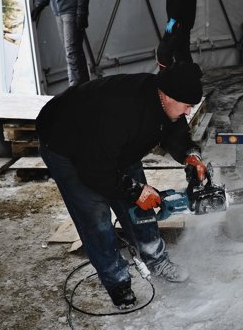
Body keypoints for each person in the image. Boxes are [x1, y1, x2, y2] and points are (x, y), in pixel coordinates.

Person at [36, 62, 208, 309]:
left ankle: (156, 259)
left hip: (115, 147)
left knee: (141, 208)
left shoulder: (166, 100)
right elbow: (93, 169)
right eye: (187, 106)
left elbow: (175, 130)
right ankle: (118, 283)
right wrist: (134, 190)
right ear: (167, 97)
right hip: (67, 144)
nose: (189, 111)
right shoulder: (122, 112)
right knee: (96, 217)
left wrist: (190, 154)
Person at [31, 0, 91, 86]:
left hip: (71, 12)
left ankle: (74, 91)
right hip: (59, 13)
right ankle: (86, 89)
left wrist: (81, 13)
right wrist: (39, 6)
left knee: (71, 53)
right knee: (74, 52)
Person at [156, 0, 197, 70]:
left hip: (178, 22)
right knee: (182, 53)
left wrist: (172, 22)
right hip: (182, 22)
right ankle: (188, 80)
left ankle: (170, 80)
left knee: (164, 52)